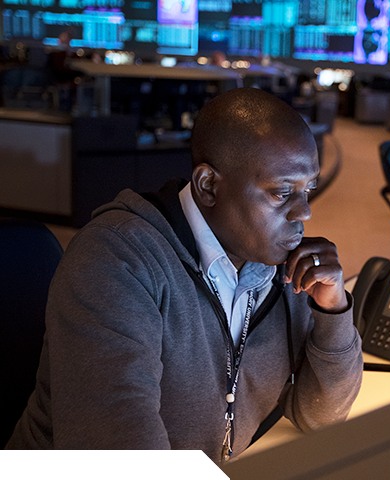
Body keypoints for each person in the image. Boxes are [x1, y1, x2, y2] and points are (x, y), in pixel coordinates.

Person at [5, 87, 364, 463]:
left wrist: (333, 308)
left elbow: (321, 415)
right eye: (281, 193)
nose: (304, 212)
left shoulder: (282, 263)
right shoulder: (116, 260)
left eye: (308, 189)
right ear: (208, 185)